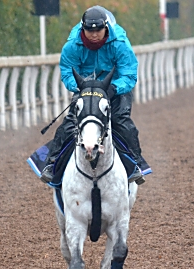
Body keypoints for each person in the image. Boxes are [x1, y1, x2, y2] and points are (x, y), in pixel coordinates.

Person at [40, 5, 147, 185]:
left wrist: (113, 89)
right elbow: (67, 72)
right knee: (71, 122)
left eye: (98, 30)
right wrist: (80, 87)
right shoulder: (72, 46)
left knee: (121, 120)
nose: (94, 34)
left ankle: (136, 163)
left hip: (114, 88)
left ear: (106, 27)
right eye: (90, 30)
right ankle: (51, 163)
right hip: (86, 89)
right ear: (83, 29)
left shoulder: (119, 43)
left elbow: (129, 74)